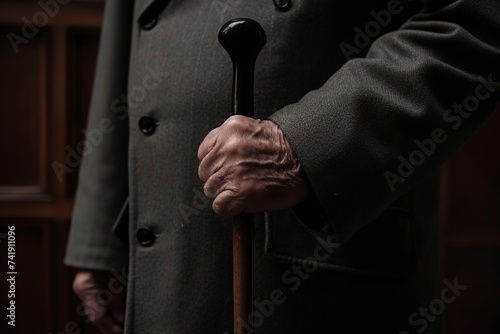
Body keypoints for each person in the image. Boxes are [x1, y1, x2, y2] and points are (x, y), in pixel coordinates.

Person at [65, 0, 500, 333]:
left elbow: (474, 20)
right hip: (157, 237)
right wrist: (99, 236)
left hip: (318, 252)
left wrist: (305, 147)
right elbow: (129, 21)